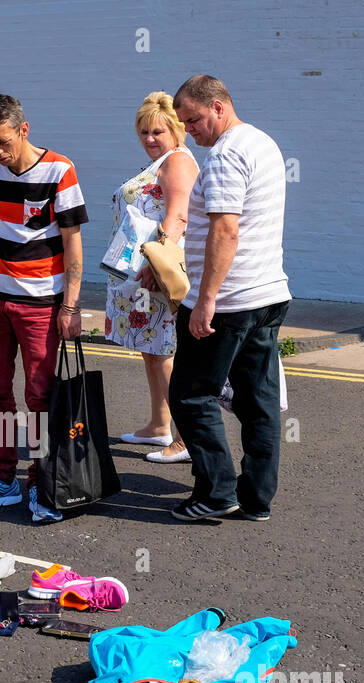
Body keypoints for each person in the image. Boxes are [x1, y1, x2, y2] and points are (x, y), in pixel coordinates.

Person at [0, 93, 88, 523]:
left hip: (40, 305)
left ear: (24, 130)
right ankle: (1, 478)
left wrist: (70, 305)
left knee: (41, 398)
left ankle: (42, 481)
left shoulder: (59, 170)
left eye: (2, 142)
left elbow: (73, 243)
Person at [169, 75, 291, 522]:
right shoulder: (264, 143)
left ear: (219, 107)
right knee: (258, 402)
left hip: (231, 301)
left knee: (189, 395)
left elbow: (225, 229)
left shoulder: (225, 155)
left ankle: (218, 492)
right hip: (267, 294)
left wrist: (206, 300)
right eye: (183, 123)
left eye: (194, 120)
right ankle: (256, 498)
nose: (190, 132)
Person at [104, 91, 199, 464]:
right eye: (143, 131)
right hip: (140, 271)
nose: (149, 138)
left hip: (155, 272)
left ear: (177, 130)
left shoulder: (177, 161)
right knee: (151, 348)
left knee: (164, 353)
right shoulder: (162, 160)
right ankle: (159, 424)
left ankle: (184, 436)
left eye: (158, 131)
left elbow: (178, 216)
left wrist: (155, 263)